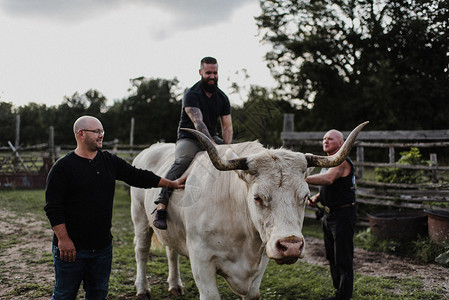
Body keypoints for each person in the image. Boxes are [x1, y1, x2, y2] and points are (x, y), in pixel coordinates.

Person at [44, 115, 186, 300]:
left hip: (102, 247)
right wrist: (63, 240)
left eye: (101, 131)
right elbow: (53, 207)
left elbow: (138, 176)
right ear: (81, 134)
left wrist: (171, 184)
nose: (101, 135)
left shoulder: (108, 161)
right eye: (96, 131)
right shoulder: (62, 168)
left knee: (98, 294)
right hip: (72, 249)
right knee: (65, 294)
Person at [152, 56, 233, 230]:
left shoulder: (222, 97)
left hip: (212, 137)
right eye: (208, 72)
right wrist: (214, 146)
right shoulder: (192, 94)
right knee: (181, 161)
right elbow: (199, 124)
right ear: (200, 72)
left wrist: (227, 148)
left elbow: (227, 125)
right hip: (189, 137)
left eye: (215, 72)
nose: (212, 76)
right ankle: (161, 206)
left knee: (234, 159)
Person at [306, 129, 357, 300]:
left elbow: (328, 179)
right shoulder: (328, 161)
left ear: (341, 143)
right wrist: (316, 197)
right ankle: (339, 293)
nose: (325, 141)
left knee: (343, 258)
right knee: (332, 256)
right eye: (324, 138)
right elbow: (331, 186)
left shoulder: (341, 161)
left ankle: (343, 297)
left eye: (330, 139)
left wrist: (300, 178)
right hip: (329, 215)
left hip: (343, 214)